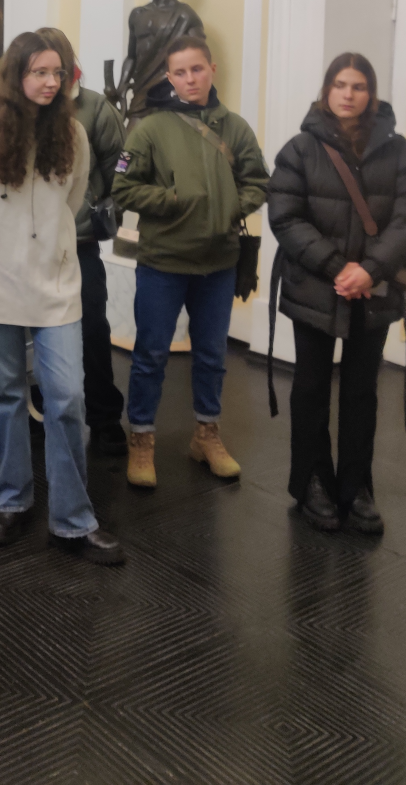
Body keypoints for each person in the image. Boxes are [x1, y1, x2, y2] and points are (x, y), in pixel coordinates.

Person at [0, 31, 124, 566]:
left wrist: (43, 245)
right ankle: (11, 500)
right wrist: (0, 246)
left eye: (58, 72)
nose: (51, 82)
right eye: (40, 72)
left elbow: (73, 202)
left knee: (67, 396)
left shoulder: (73, 134)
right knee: (6, 395)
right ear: (16, 75)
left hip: (54, 282)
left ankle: (73, 520)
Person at [267, 53, 406, 535]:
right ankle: (312, 482)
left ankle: (356, 485)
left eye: (358, 86)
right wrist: (339, 267)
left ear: (370, 94)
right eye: (340, 84)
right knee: (311, 388)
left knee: (361, 392)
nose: (348, 94)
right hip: (317, 286)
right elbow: (285, 216)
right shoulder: (300, 149)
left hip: (373, 291)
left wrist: (370, 270)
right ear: (326, 89)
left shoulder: (398, 152)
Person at [113, 36, 269, 489]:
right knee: (150, 355)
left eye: (197, 69)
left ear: (211, 69)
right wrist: (174, 200)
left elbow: (259, 181)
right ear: (169, 77)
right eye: (179, 73)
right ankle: (141, 438)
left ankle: (206, 435)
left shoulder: (235, 128)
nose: (190, 79)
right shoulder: (149, 129)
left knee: (212, 355)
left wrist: (229, 207)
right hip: (163, 262)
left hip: (218, 264)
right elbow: (122, 186)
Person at [36, 28, 127, 455]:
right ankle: (38, 410)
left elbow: (118, 166)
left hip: (80, 241)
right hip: (33, 246)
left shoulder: (95, 108)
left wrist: (102, 205)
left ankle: (105, 418)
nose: (50, 77)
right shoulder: (22, 111)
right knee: (35, 332)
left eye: (57, 66)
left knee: (92, 328)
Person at [106, 0, 206, 123]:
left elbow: (198, 60)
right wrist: (121, 86)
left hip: (171, 94)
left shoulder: (185, 17)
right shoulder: (138, 14)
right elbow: (132, 57)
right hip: (141, 93)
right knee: (132, 138)